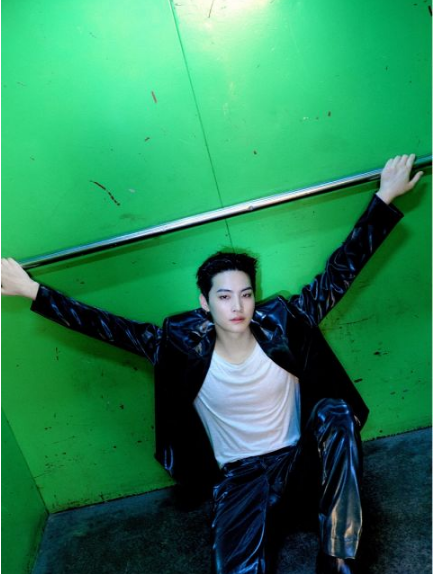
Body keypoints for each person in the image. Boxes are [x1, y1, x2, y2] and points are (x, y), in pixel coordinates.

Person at [1, 155, 424, 574]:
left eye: (245, 294)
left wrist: (384, 198)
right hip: (241, 480)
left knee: (336, 412)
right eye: (224, 296)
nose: (237, 306)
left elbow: (338, 273)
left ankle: (339, 562)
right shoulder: (178, 345)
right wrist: (32, 291)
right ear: (205, 303)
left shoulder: (284, 322)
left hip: (301, 465)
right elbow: (106, 327)